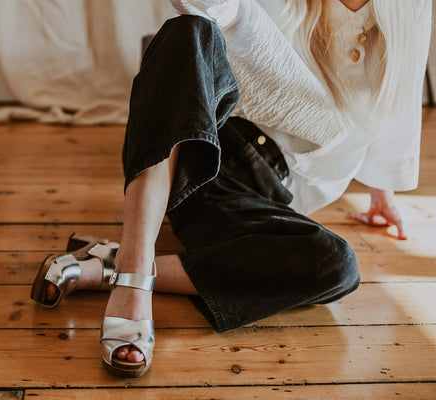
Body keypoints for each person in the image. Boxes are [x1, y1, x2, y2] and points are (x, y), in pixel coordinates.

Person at [30, 0, 432, 378]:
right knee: (188, 30)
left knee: (336, 266)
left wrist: (384, 193)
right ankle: (132, 275)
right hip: (195, 149)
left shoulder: (407, 10)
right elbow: (221, 10)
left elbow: (400, 96)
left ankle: (106, 268)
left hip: (255, 195)